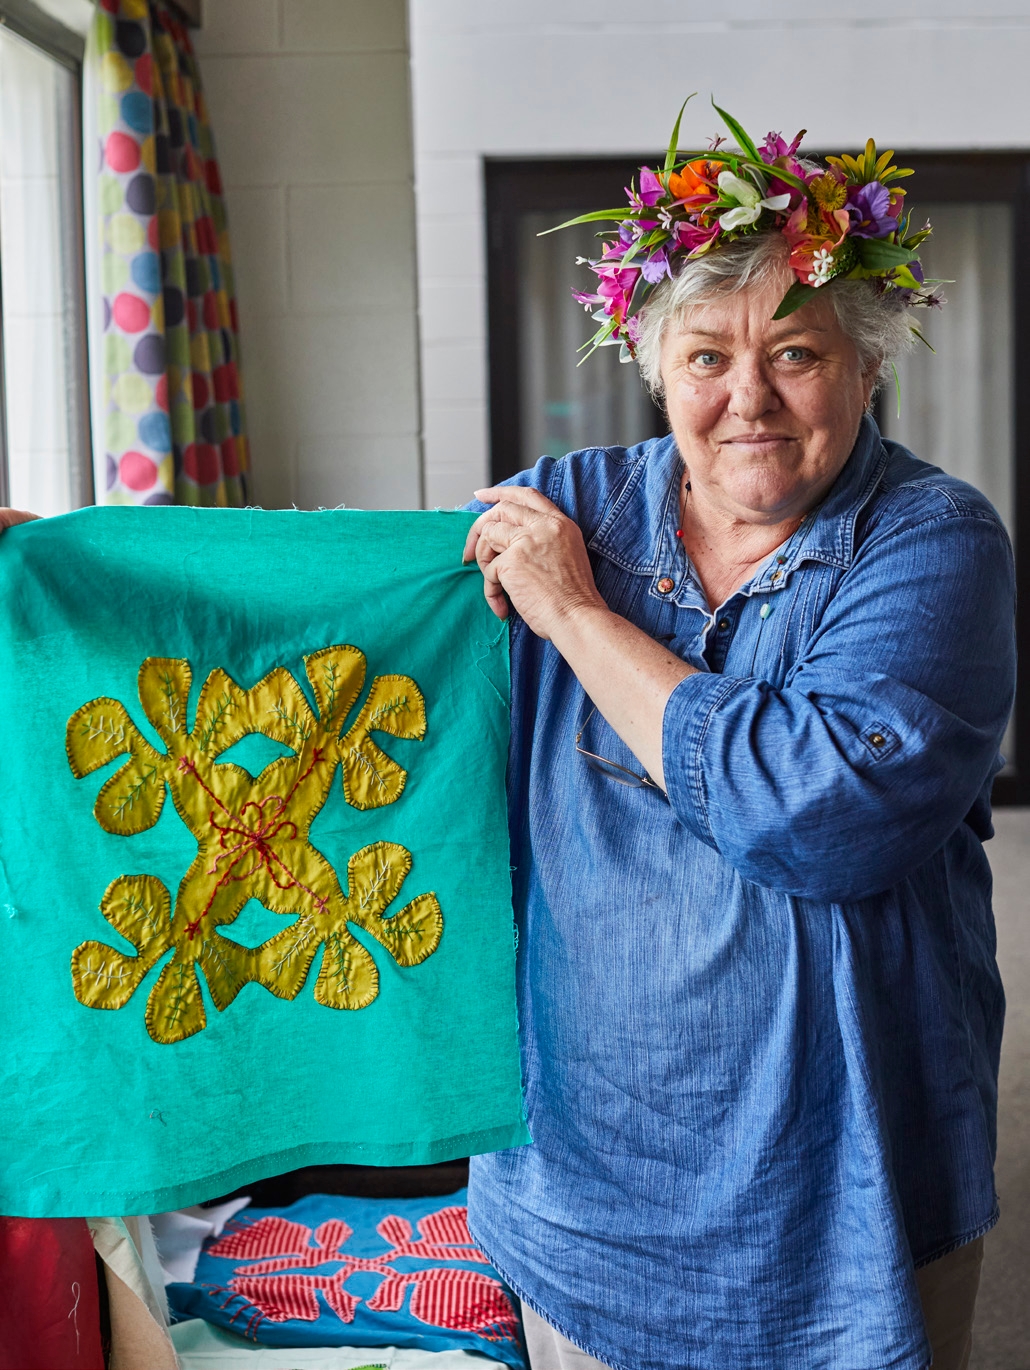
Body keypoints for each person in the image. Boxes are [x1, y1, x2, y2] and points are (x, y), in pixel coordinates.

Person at [460, 116, 1015, 1370]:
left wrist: (574, 614)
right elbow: (352, 636)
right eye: (704, 354)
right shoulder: (568, 500)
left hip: (846, 1185)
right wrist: (69, 563)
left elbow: (814, 810)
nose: (746, 398)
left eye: (797, 352)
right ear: (653, 366)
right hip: (585, 1179)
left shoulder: (934, 542)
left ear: (868, 369)